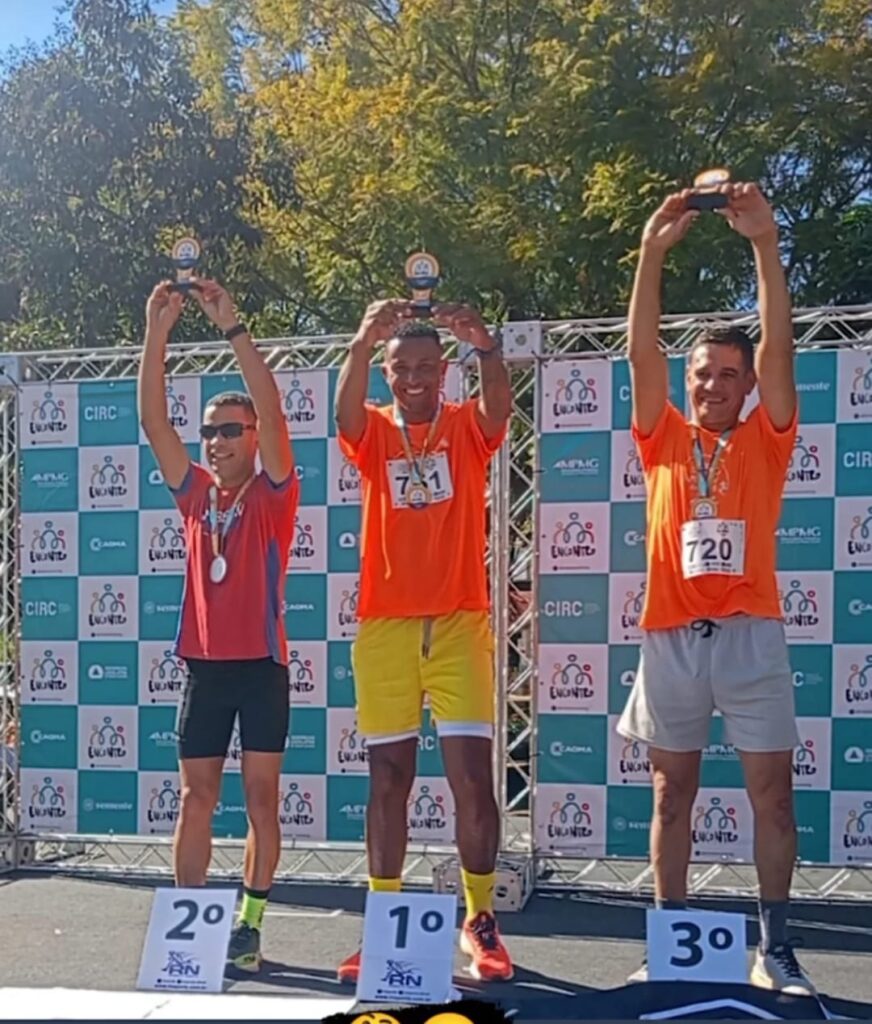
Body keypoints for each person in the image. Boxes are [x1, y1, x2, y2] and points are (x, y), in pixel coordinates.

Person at [617, 182, 814, 994]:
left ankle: (778, 949)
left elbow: (779, 348)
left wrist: (765, 244)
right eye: (702, 374)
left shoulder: (769, 437)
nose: (712, 386)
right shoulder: (664, 434)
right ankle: (669, 942)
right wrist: (651, 254)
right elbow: (640, 349)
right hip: (671, 633)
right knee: (673, 795)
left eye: (727, 375)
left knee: (771, 796)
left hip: (750, 631)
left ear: (746, 383)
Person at [334, 302, 514, 983]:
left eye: (426, 368)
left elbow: (499, 408)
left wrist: (486, 348)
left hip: (461, 620)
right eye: (401, 368)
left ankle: (480, 919)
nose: (414, 379)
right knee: (388, 779)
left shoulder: (465, 426)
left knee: (471, 776)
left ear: (444, 372)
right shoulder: (375, 430)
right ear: (388, 373)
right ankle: (384, 922)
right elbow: (344, 416)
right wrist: (359, 341)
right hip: (385, 627)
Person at [138, 279, 299, 974]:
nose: (218, 439)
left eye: (231, 429)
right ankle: (190, 929)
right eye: (211, 431)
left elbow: (275, 411)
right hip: (205, 668)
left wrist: (233, 327)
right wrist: (156, 332)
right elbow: (153, 423)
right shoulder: (197, 492)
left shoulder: (273, 493)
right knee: (194, 796)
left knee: (261, 798)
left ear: (253, 437)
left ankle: (249, 923)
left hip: (262, 669)